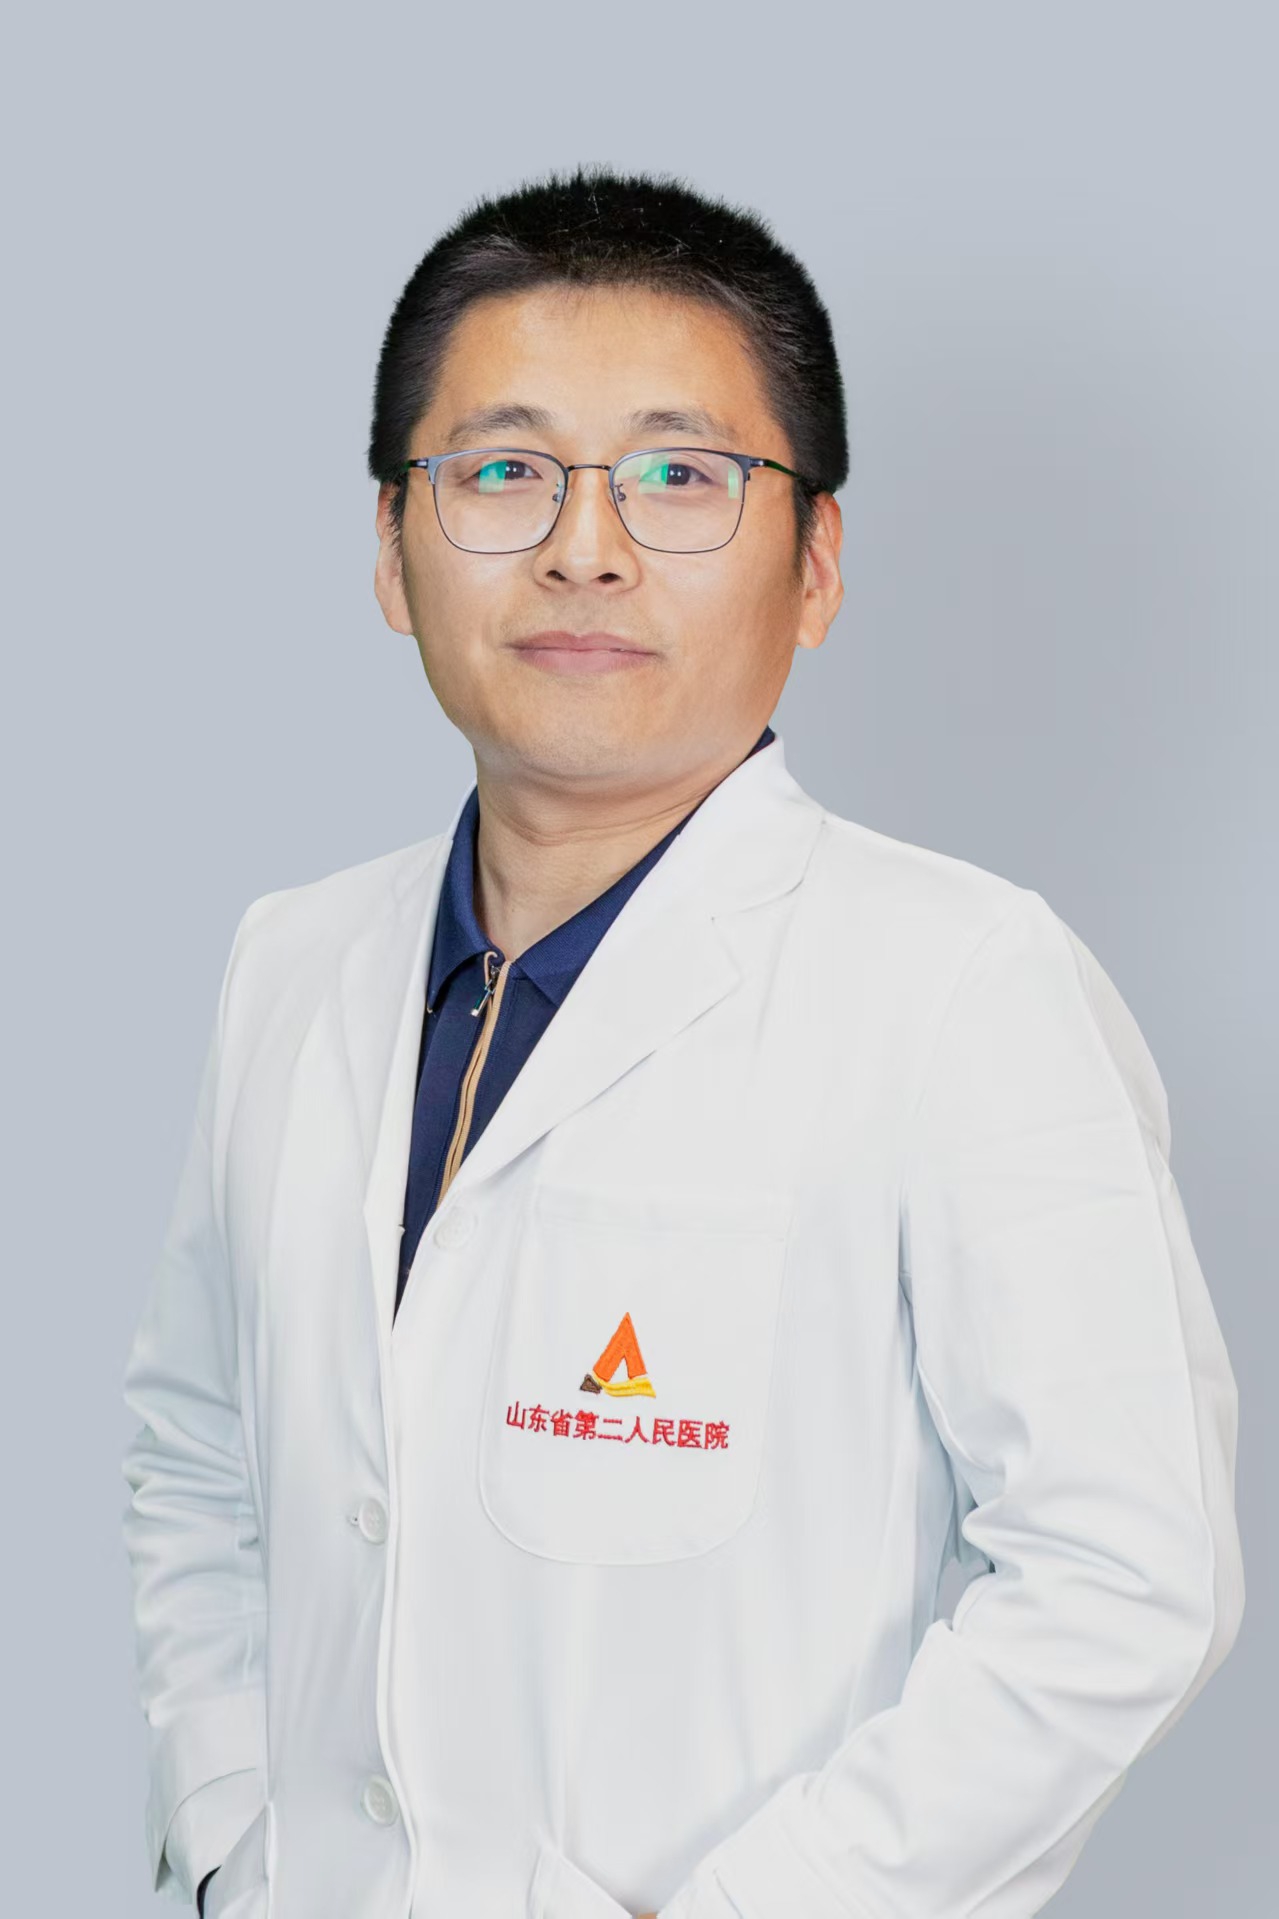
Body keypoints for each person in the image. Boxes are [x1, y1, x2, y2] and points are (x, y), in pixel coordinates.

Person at [121, 164, 1244, 1919]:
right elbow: (197, 1452)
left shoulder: (964, 984)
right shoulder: (292, 962)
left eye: (680, 478)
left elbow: (1122, 1575)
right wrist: (228, 1836)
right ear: (393, 550)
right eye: (503, 472)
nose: (586, 547)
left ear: (817, 566)